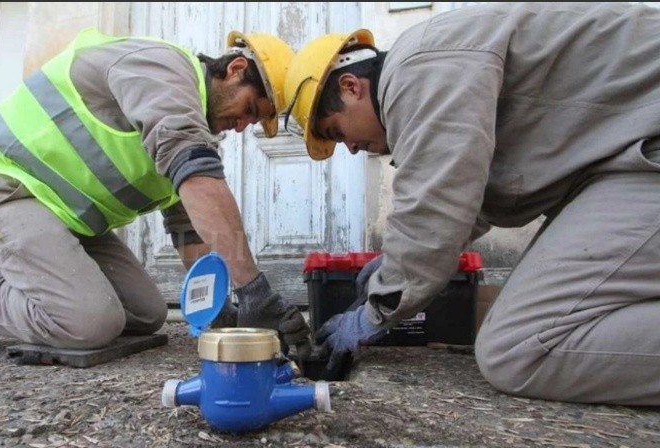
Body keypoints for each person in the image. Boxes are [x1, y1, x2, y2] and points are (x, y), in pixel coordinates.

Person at [283, 2, 660, 405]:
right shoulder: (431, 64)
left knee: (518, 349)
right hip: (628, 156)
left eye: (337, 132)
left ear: (351, 87)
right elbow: (466, 192)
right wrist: (398, 261)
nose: (353, 149)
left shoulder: (418, 70)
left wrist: (372, 313)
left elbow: (436, 207)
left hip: (640, 155)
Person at [0, 27, 311, 359]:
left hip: (66, 219)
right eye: (250, 108)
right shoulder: (164, 71)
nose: (242, 126)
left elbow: (189, 231)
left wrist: (219, 305)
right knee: (88, 323)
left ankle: (16, 270)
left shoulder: (188, 124)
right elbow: (198, 178)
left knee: (146, 313)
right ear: (236, 68)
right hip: (2, 189)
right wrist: (253, 288)